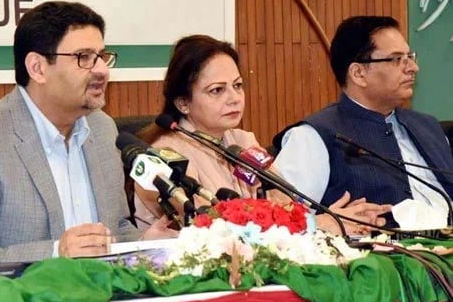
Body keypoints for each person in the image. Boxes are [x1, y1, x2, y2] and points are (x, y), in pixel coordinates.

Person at [0, 1, 171, 277]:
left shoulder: (103, 130)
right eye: (84, 57)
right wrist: (56, 253)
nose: (102, 70)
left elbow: (114, 230)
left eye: (102, 56)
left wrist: (144, 244)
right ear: (38, 68)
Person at [134, 35, 388, 234]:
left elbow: (285, 205)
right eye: (216, 91)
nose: (234, 98)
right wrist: (316, 225)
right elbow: (213, 229)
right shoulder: (162, 157)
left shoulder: (242, 141)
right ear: (183, 103)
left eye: (238, 86)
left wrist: (330, 218)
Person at [274, 16, 453, 228]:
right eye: (396, 59)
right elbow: (281, 220)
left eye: (409, 56)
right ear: (359, 73)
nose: (413, 67)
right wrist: (323, 223)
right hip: (383, 257)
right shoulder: (313, 136)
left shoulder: (429, 127)